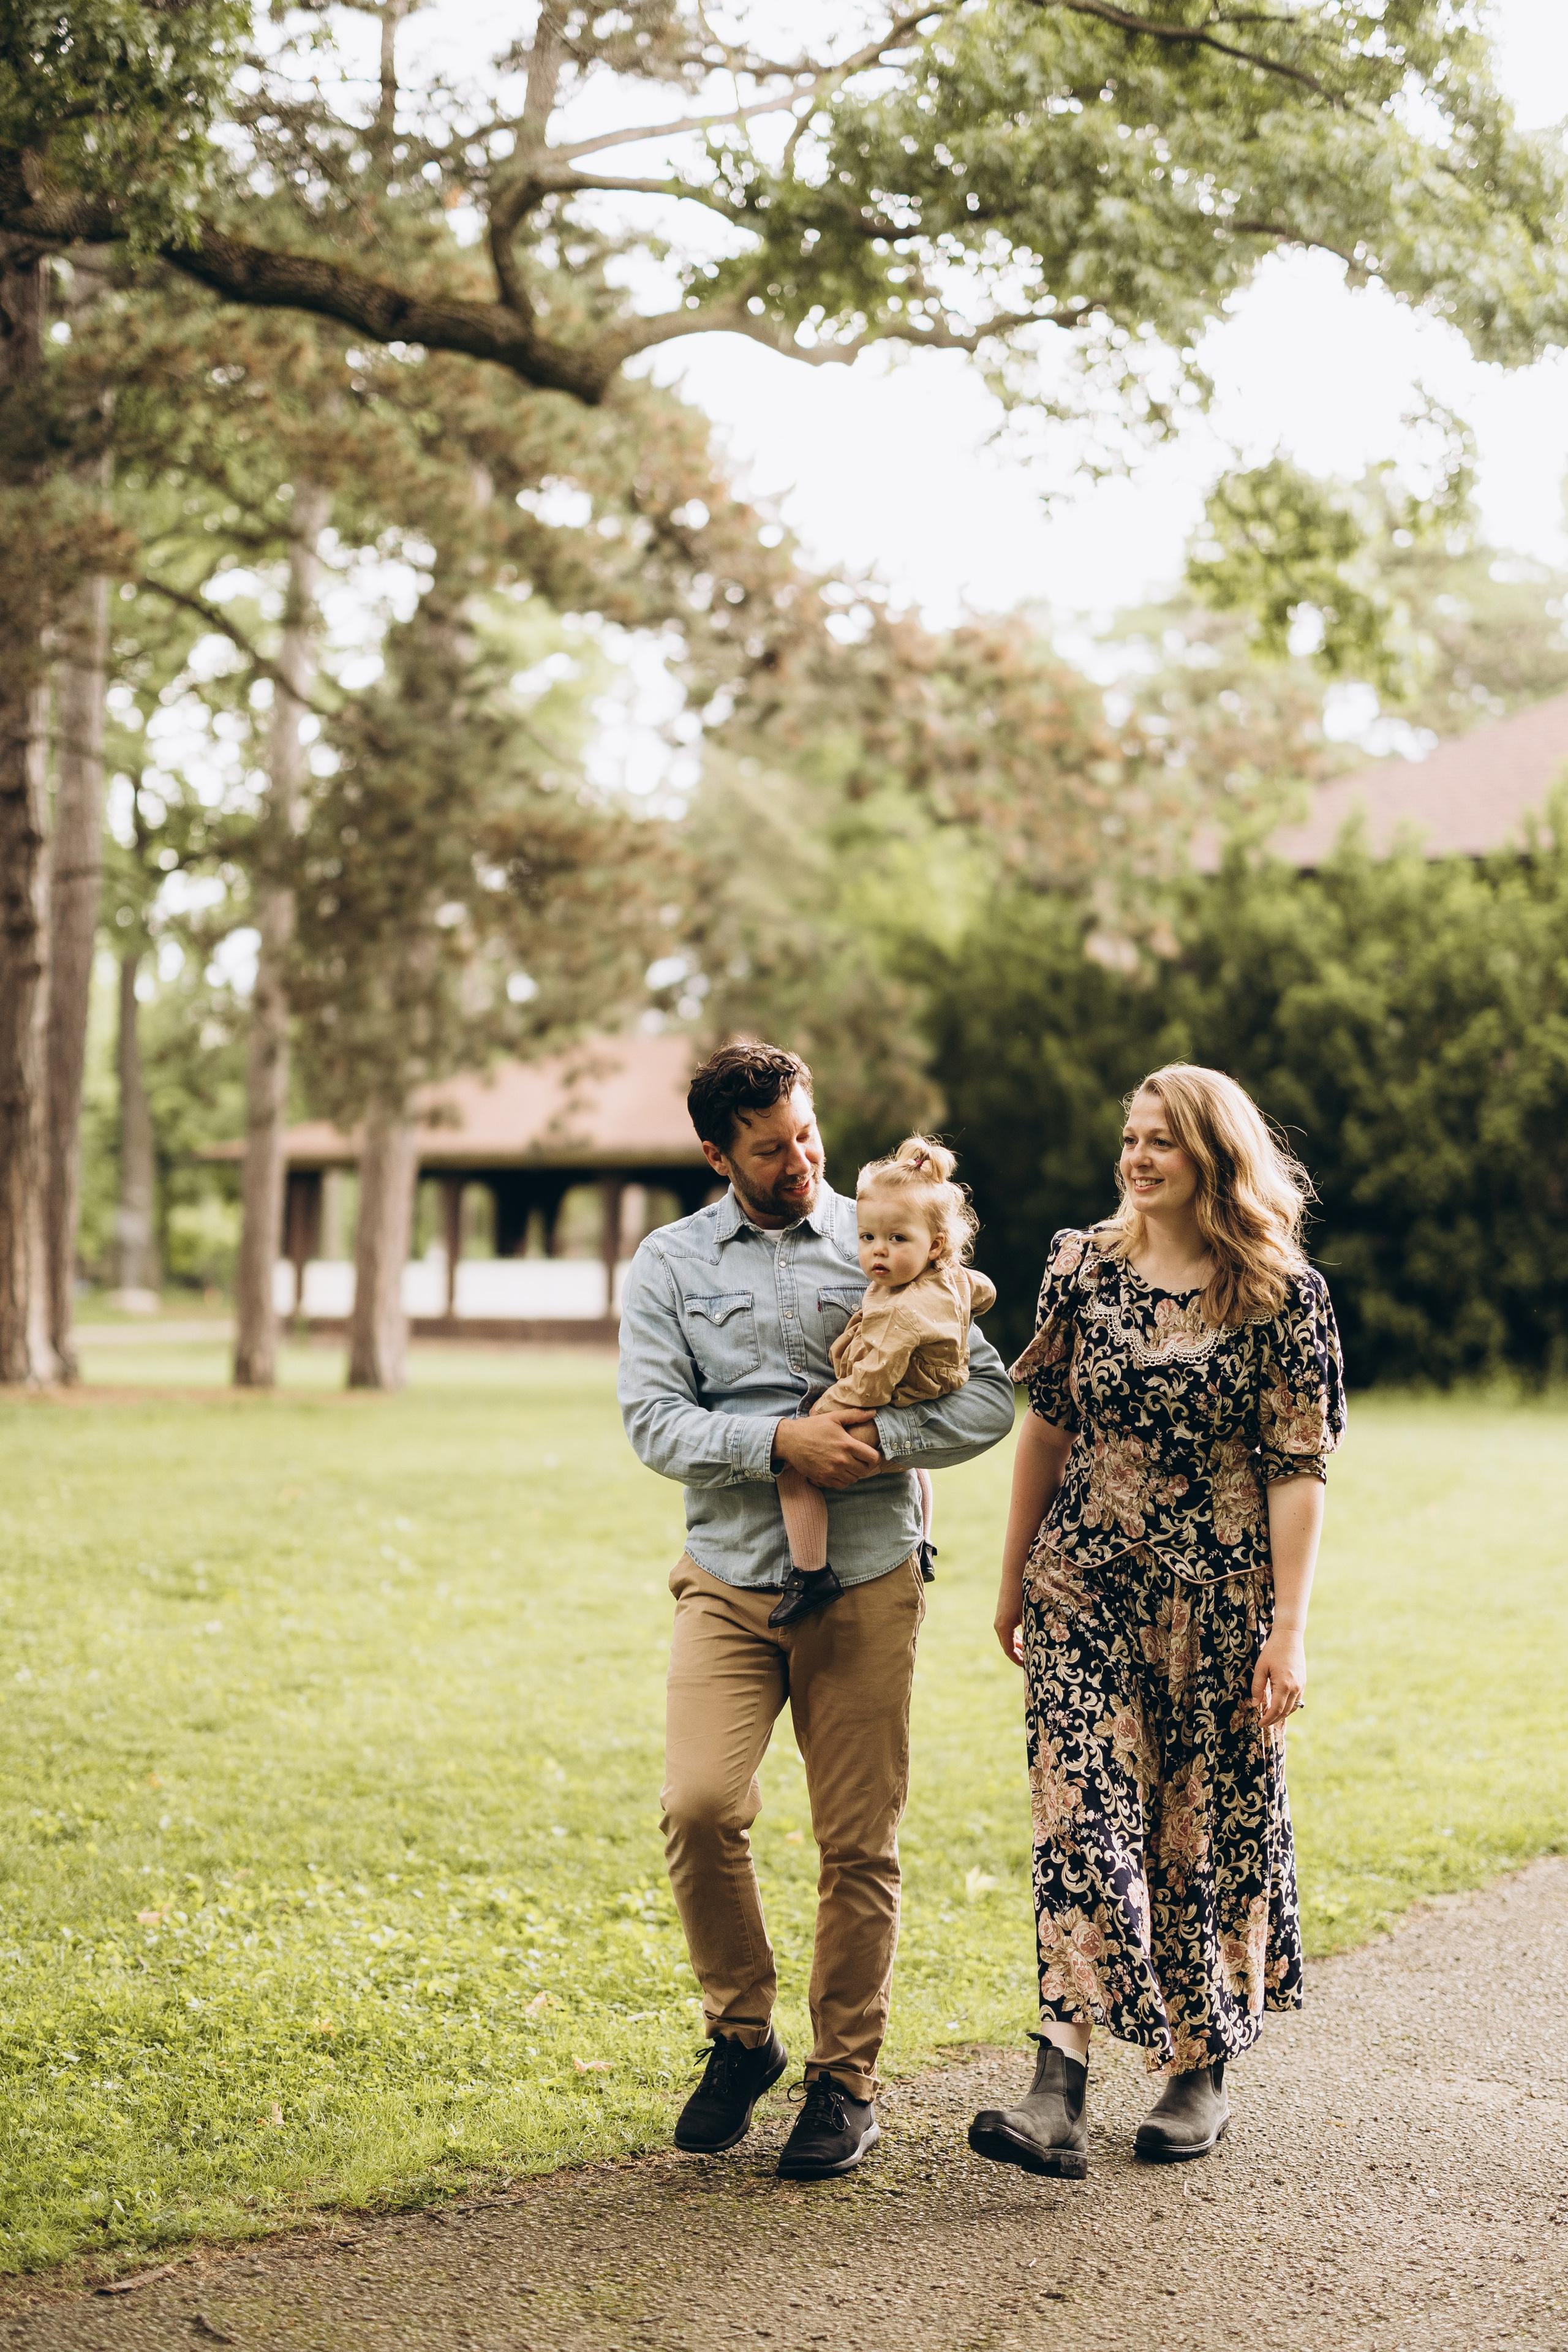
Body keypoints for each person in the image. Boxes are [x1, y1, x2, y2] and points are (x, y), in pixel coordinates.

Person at [619, 1043, 1014, 2180]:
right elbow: (653, 1421)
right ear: (715, 1155)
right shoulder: (670, 1263)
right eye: (769, 1150)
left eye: (806, 1136)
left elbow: (987, 1394)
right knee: (699, 1805)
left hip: (868, 1584)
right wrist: (777, 1442)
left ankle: (845, 2082)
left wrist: (870, 1445)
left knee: (857, 1845)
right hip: (730, 1581)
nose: (799, 1162)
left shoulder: (891, 1231)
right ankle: (741, 2040)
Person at [968, 1063, 1345, 2180]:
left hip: (1223, 1601)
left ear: (1212, 1156)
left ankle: (1199, 2069)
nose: (1136, 1158)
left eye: (1161, 1142)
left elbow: (1298, 1468)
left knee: (1202, 1828)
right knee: (1082, 1815)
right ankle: (1057, 2085)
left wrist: (1289, 1628)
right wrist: (1011, 1577)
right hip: (1086, 1580)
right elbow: (1048, 1427)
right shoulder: (1082, 1267)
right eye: (1130, 1138)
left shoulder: (1283, 1293)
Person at [773, 1135, 997, 1616]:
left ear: (934, 1244)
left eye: (898, 1240)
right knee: (912, 1459)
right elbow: (982, 1291)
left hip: (899, 1387)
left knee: (795, 1469)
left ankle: (811, 1575)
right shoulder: (945, 1274)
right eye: (868, 1237)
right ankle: (923, 1544)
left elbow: (873, 1381)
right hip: (932, 1381)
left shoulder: (901, 1313)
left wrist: (821, 1413)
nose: (879, 1252)